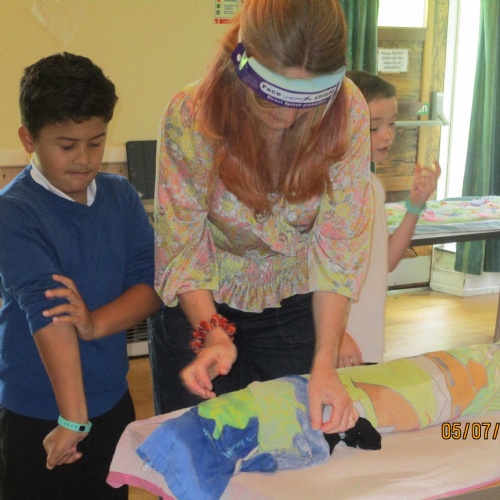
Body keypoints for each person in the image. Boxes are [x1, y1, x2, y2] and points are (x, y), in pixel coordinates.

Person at [150, 0, 373, 435]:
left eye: (304, 101)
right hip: (201, 300)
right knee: (198, 444)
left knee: (292, 440)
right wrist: (213, 332)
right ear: (241, 64)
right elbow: (182, 242)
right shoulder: (191, 115)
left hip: (290, 302)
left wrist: (324, 363)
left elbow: (339, 248)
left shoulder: (347, 111)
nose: (286, 116)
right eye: (272, 96)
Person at [0, 52, 161, 499]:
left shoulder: (120, 195)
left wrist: (95, 323)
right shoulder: (14, 211)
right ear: (28, 138)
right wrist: (72, 418)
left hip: (110, 400)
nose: (84, 159)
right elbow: (48, 312)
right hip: (39, 412)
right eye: (67, 145)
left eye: (96, 142)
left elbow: (151, 284)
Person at [338, 69, 441, 367]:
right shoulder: (336, 190)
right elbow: (314, 278)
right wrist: (338, 334)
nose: (387, 135)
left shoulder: (372, 185)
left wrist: (415, 206)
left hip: (366, 343)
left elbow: (386, 262)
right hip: (339, 343)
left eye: (392, 123)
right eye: (374, 127)